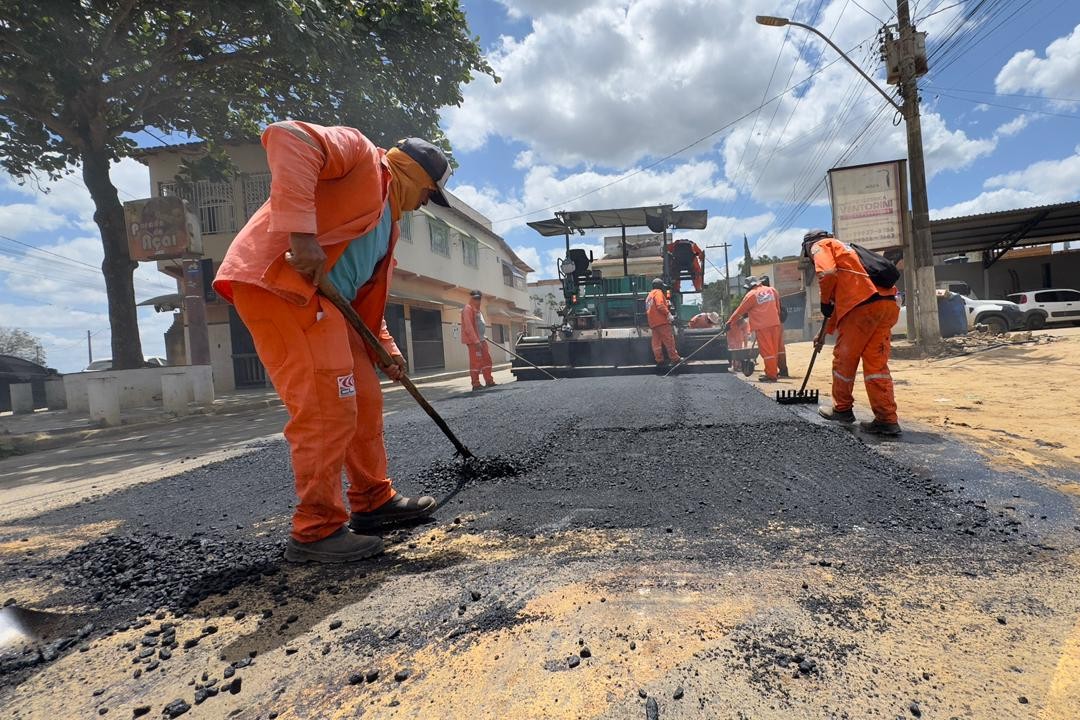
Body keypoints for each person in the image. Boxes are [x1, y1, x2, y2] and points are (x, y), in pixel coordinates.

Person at [214, 121, 449, 563]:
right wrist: (301, 235)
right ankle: (315, 530)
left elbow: (360, 299)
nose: (423, 205)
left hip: (330, 305)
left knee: (364, 396)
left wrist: (386, 349)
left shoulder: (386, 227)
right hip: (283, 286)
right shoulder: (361, 156)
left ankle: (373, 501)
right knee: (328, 406)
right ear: (414, 175)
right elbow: (290, 136)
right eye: (427, 194)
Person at [802, 229, 901, 436]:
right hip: (886, 305)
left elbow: (827, 274)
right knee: (877, 366)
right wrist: (823, 334)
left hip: (863, 308)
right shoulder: (849, 253)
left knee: (844, 360)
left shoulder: (822, 245)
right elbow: (841, 305)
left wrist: (823, 301)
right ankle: (887, 419)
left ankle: (842, 409)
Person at [727, 276, 783, 382]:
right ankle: (772, 372)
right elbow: (778, 307)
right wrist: (776, 319)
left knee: (767, 351)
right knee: (773, 350)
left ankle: (771, 375)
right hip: (775, 324)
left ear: (749, 286)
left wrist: (729, 322)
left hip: (762, 326)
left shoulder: (751, 295)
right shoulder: (772, 290)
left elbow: (739, 311)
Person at [461, 289, 496, 391]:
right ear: (471, 298)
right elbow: (468, 327)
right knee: (476, 362)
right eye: (475, 298)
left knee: (487, 360)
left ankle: (489, 381)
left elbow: (478, 325)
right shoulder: (468, 309)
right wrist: (476, 341)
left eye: (479, 298)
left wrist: (482, 336)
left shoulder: (478, 310)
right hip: (474, 342)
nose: (478, 300)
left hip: (481, 339)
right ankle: (475, 384)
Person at [646, 277, 681, 367]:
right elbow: (660, 305)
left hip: (653, 323)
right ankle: (675, 359)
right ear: (659, 286)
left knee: (656, 343)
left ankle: (659, 361)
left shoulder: (649, 296)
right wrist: (668, 314)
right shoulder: (658, 292)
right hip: (661, 322)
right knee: (669, 340)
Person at [759, 276, 790, 377]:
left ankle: (772, 372)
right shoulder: (773, 292)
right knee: (779, 348)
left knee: (771, 349)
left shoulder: (765, 294)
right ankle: (783, 370)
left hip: (773, 325)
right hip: (778, 324)